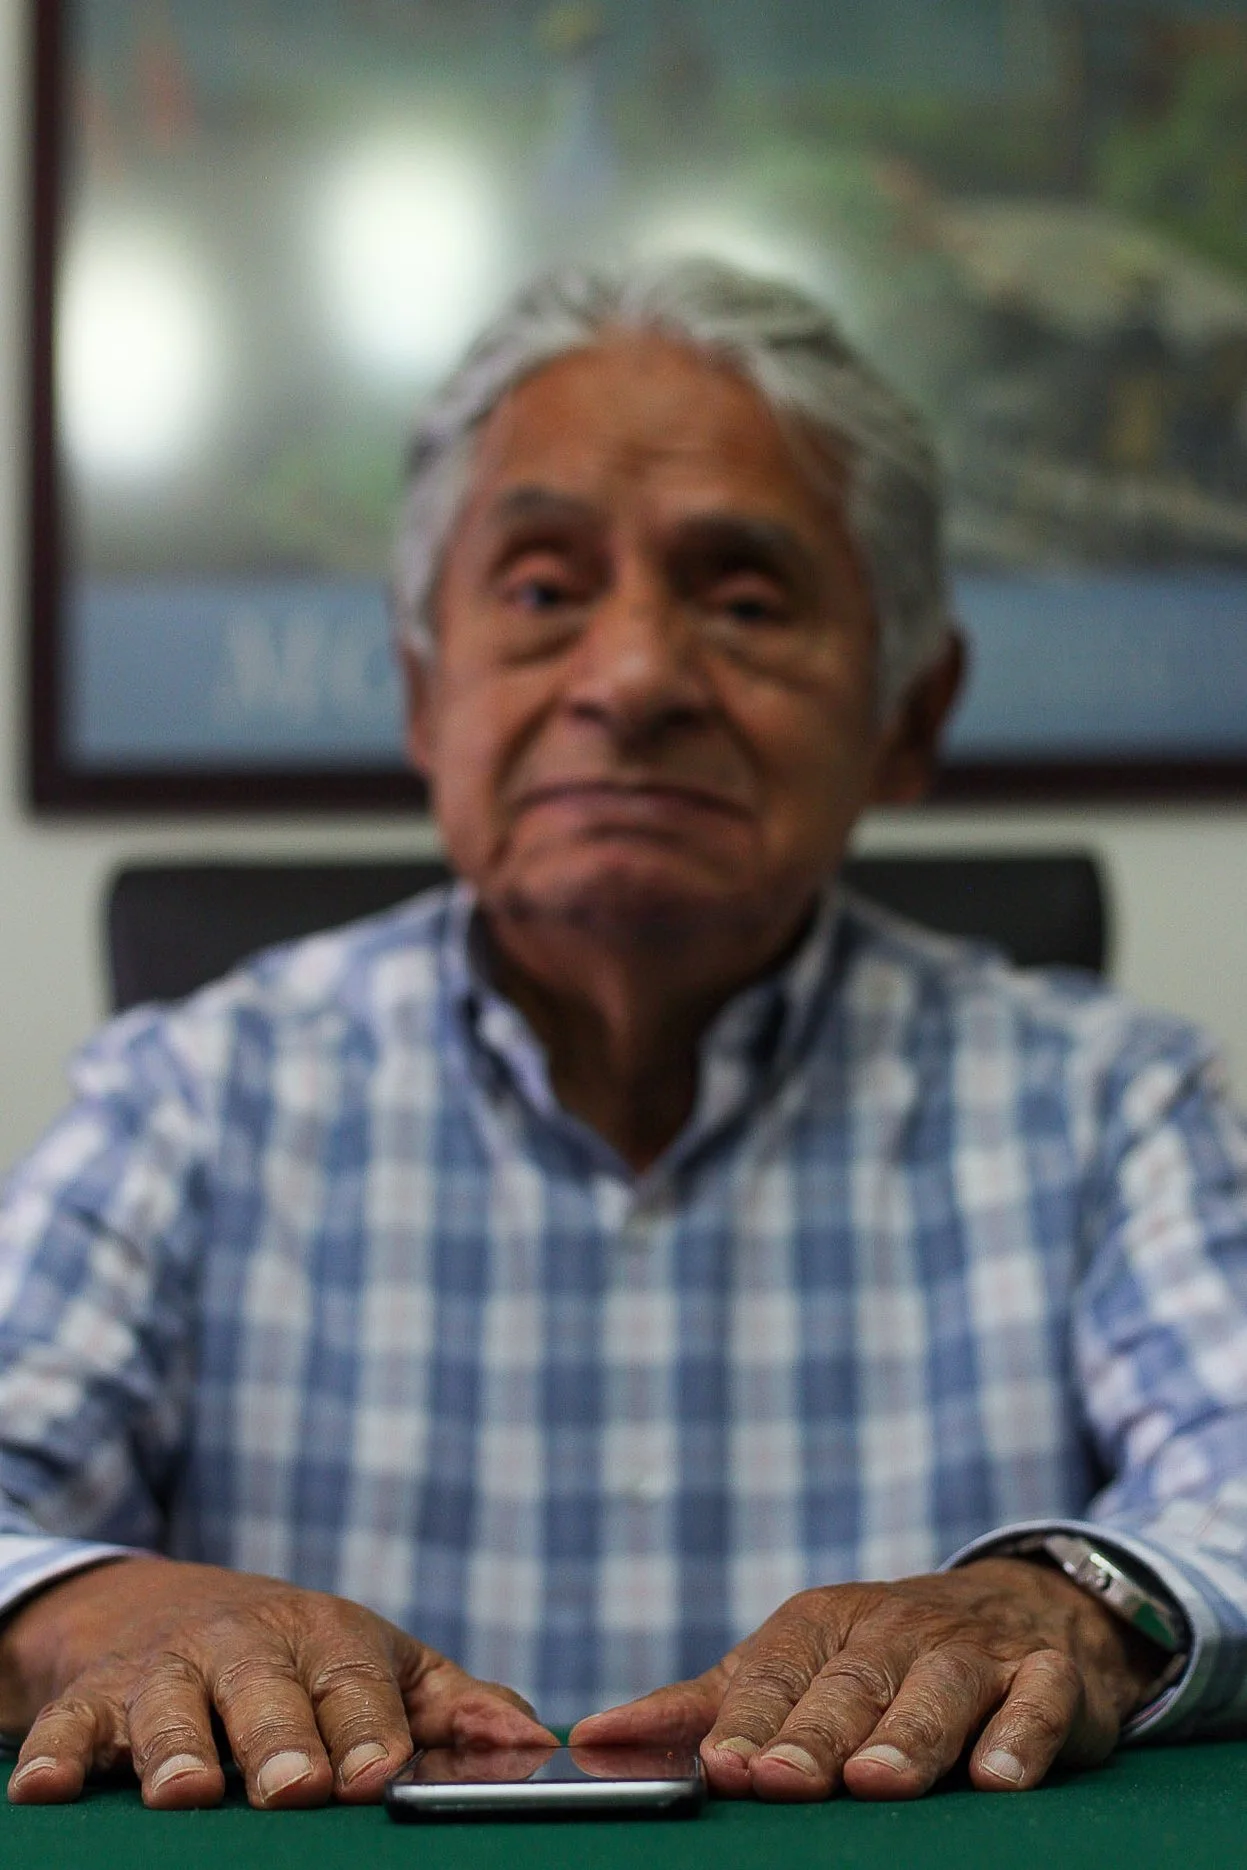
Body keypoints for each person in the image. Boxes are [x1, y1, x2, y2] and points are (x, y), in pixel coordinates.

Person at [2, 259, 1245, 1814]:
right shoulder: (193, 1095)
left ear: (910, 713)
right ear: (420, 693)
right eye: (538, 590)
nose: (636, 676)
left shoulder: (1105, 1103)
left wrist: (1067, 1601)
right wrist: (99, 1610)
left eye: (741, 598)